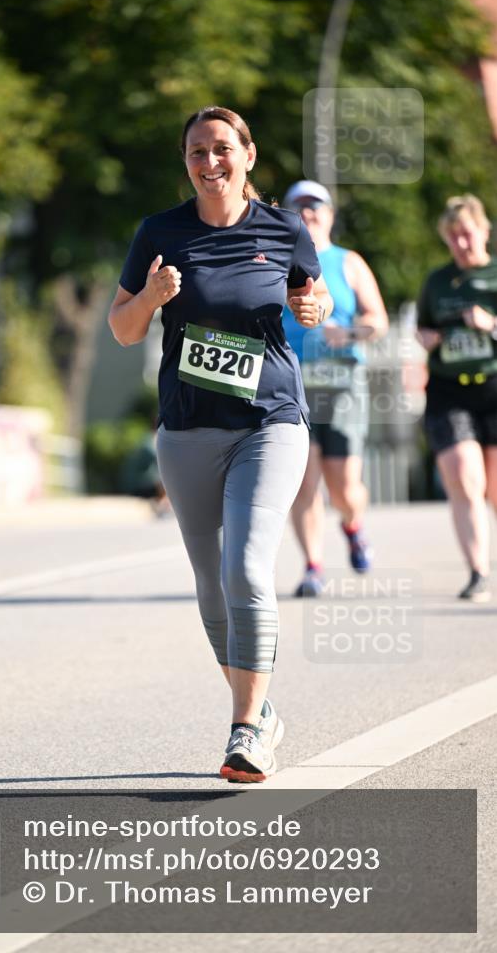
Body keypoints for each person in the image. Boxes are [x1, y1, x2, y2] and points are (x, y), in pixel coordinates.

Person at [108, 106, 333, 783]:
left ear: (248, 156)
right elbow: (122, 329)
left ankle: (244, 729)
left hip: (269, 421)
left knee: (245, 566)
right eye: (197, 153)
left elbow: (310, 294)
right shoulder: (160, 233)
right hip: (186, 429)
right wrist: (149, 296)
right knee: (211, 586)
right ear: (186, 163)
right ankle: (260, 712)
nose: (210, 163)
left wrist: (312, 308)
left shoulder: (282, 228)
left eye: (221, 150)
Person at [280, 181, 389, 597]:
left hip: (341, 384)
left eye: (315, 207)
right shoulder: (276, 260)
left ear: (329, 214)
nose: (308, 214)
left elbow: (377, 320)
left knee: (344, 486)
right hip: (291, 385)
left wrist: (350, 332)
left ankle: (353, 525)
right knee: (302, 481)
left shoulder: (349, 263)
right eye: (299, 208)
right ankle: (312, 566)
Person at [416, 194, 497, 602]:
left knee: (495, 487)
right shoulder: (437, 281)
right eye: (453, 238)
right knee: (465, 478)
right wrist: (426, 338)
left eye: (467, 235)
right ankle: (478, 572)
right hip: (450, 391)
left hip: (494, 387)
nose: (462, 244)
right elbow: (423, 329)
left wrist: (491, 324)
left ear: (483, 231)